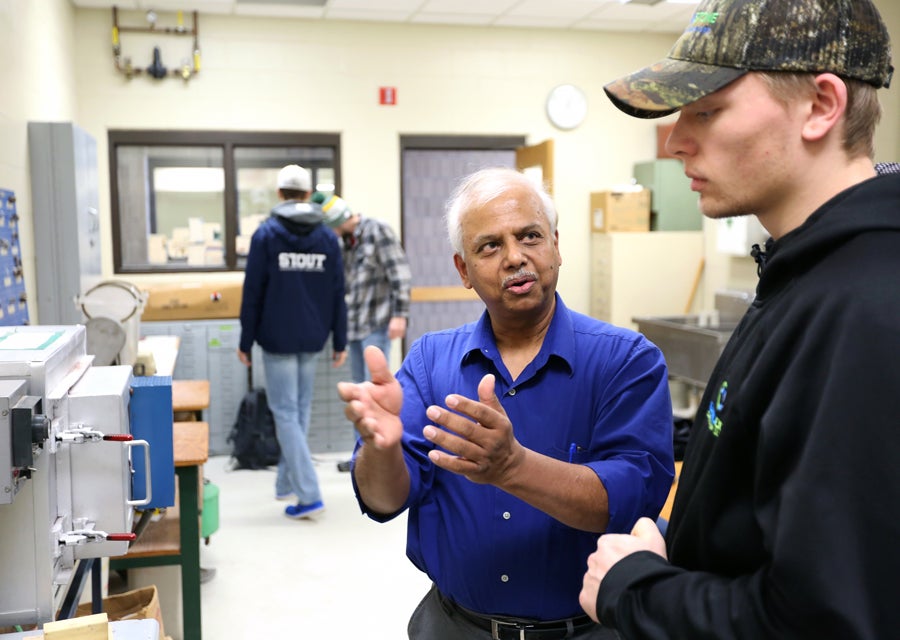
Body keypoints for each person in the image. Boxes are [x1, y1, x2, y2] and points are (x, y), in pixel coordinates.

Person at [579, 1, 900, 637]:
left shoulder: (867, 312)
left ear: (820, 106)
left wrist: (635, 588)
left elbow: (822, 621)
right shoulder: (800, 275)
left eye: (706, 110)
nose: (675, 142)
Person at [337, 167, 675, 639]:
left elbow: (632, 499)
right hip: (454, 626)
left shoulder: (625, 360)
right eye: (490, 246)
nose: (515, 257)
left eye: (530, 236)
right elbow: (383, 499)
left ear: (556, 245)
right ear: (464, 270)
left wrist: (512, 467)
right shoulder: (431, 360)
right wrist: (381, 448)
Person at [238, 163, 348, 520]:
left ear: (280, 193)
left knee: (285, 412)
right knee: (297, 411)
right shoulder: (327, 237)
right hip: (313, 337)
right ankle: (286, 483)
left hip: (277, 338)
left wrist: (246, 339)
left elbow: (253, 292)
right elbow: (337, 294)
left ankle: (308, 494)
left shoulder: (266, 234)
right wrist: (340, 340)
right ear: (307, 194)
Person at [313, 192, 412, 473]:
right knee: (359, 396)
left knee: (376, 395)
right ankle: (361, 455)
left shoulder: (376, 230)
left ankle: (381, 456)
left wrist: (399, 315)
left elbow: (400, 274)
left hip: (377, 324)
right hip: (355, 327)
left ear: (338, 220)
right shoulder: (345, 243)